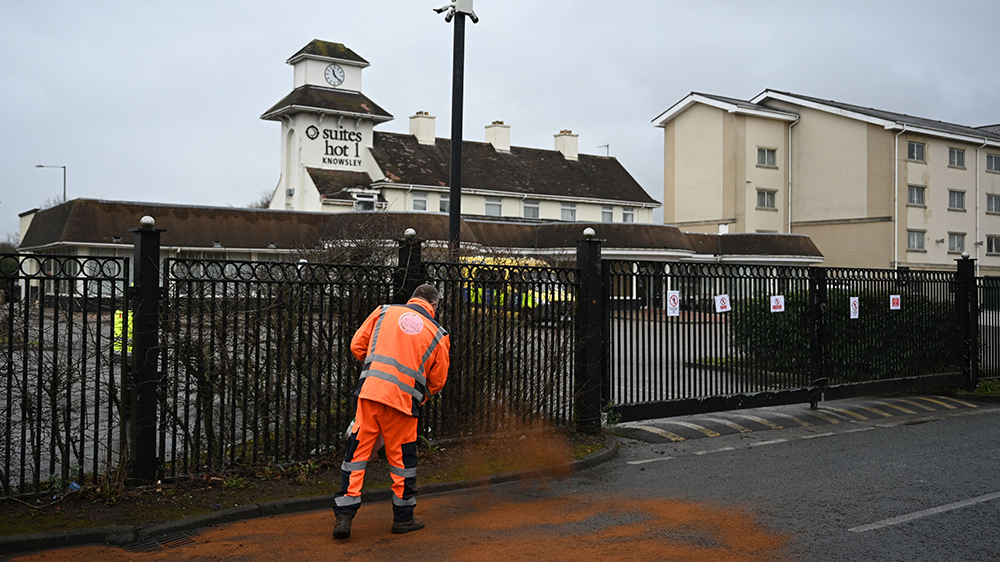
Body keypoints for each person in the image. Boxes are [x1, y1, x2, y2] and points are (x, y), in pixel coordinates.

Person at [333, 284, 450, 539]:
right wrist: (419, 395)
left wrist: (377, 372)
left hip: (371, 394)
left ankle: (344, 515)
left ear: (412, 299)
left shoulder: (384, 312)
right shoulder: (438, 334)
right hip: (403, 404)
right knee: (402, 463)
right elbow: (438, 381)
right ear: (435, 305)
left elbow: (356, 345)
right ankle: (403, 519)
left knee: (357, 454)